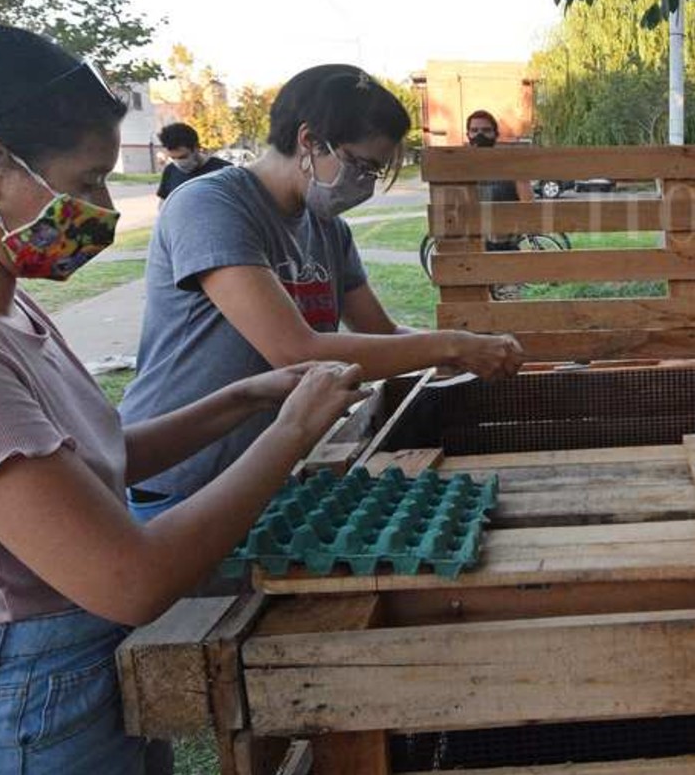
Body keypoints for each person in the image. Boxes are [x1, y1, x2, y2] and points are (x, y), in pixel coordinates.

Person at [0, 25, 366, 775]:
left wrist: (240, 400)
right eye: (87, 180)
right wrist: (290, 434)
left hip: (62, 697)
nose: (98, 210)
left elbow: (96, 461)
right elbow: (128, 578)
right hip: (10, 732)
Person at [119, 67, 524, 522]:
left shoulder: (329, 231)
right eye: (361, 165)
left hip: (269, 470)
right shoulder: (211, 206)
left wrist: (465, 355)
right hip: (186, 476)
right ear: (310, 141)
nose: (366, 185)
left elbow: (382, 333)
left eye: (375, 171)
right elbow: (294, 351)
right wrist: (450, 344)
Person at [466, 109, 534, 252]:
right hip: (471, 246)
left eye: (486, 130)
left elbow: (528, 203)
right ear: (468, 135)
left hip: (505, 246)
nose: (480, 135)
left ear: (495, 134)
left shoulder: (510, 166)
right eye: (475, 130)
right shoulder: (461, 169)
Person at [155, 120, 230, 200]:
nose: (178, 162)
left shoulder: (224, 171)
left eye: (183, 157)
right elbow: (164, 203)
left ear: (196, 148)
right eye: (173, 158)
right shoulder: (170, 171)